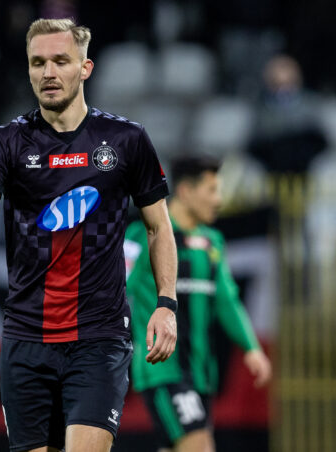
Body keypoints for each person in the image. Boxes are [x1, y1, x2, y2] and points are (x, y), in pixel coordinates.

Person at [0, 18, 178, 452]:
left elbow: (159, 227)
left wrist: (166, 303)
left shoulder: (126, 140)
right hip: (27, 338)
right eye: (37, 62)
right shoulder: (5, 142)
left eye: (60, 61)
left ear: (85, 68)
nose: (48, 72)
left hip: (98, 338)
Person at [125, 156, 272, 452]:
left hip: (202, 374)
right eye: (212, 190)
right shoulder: (141, 236)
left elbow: (227, 301)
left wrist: (252, 348)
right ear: (186, 191)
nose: (219, 200)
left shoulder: (212, 242)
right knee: (199, 446)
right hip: (163, 370)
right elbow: (110, 289)